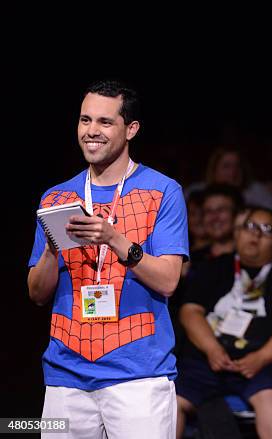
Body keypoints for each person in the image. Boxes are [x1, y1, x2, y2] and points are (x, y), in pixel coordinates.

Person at [27, 80, 189, 438]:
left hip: (139, 376)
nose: (91, 132)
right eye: (85, 121)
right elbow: (37, 293)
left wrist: (114, 239)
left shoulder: (164, 191)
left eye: (104, 122)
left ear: (131, 129)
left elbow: (168, 281)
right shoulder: (57, 197)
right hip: (65, 376)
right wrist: (55, 247)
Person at [175, 206, 272, 439]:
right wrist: (212, 349)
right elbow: (190, 312)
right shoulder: (214, 267)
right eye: (250, 227)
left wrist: (262, 358)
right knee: (169, 401)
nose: (256, 235)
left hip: (268, 361)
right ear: (237, 233)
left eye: (266, 229)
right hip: (208, 358)